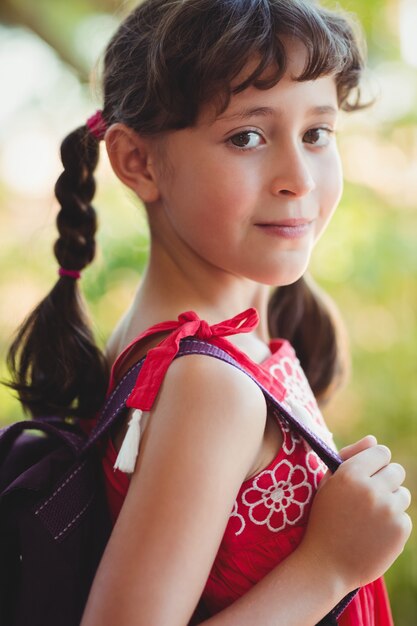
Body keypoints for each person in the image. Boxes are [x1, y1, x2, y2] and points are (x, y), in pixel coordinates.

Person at [7, 0, 412, 624]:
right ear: (138, 162)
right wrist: (328, 566)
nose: (297, 177)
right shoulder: (211, 384)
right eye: (247, 136)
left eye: (316, 134)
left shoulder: (182, 349)